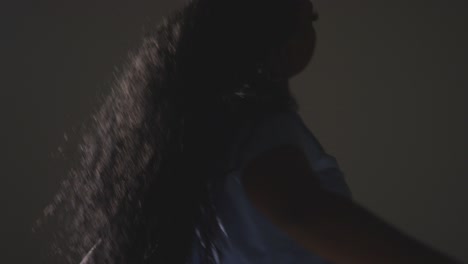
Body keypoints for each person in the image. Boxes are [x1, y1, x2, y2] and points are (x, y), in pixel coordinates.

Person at [36, 0, 462, 263]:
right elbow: (300, 210)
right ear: (276, 37)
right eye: (307, 17)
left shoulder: (203, 141)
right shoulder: (262, 130)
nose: (313, 22)